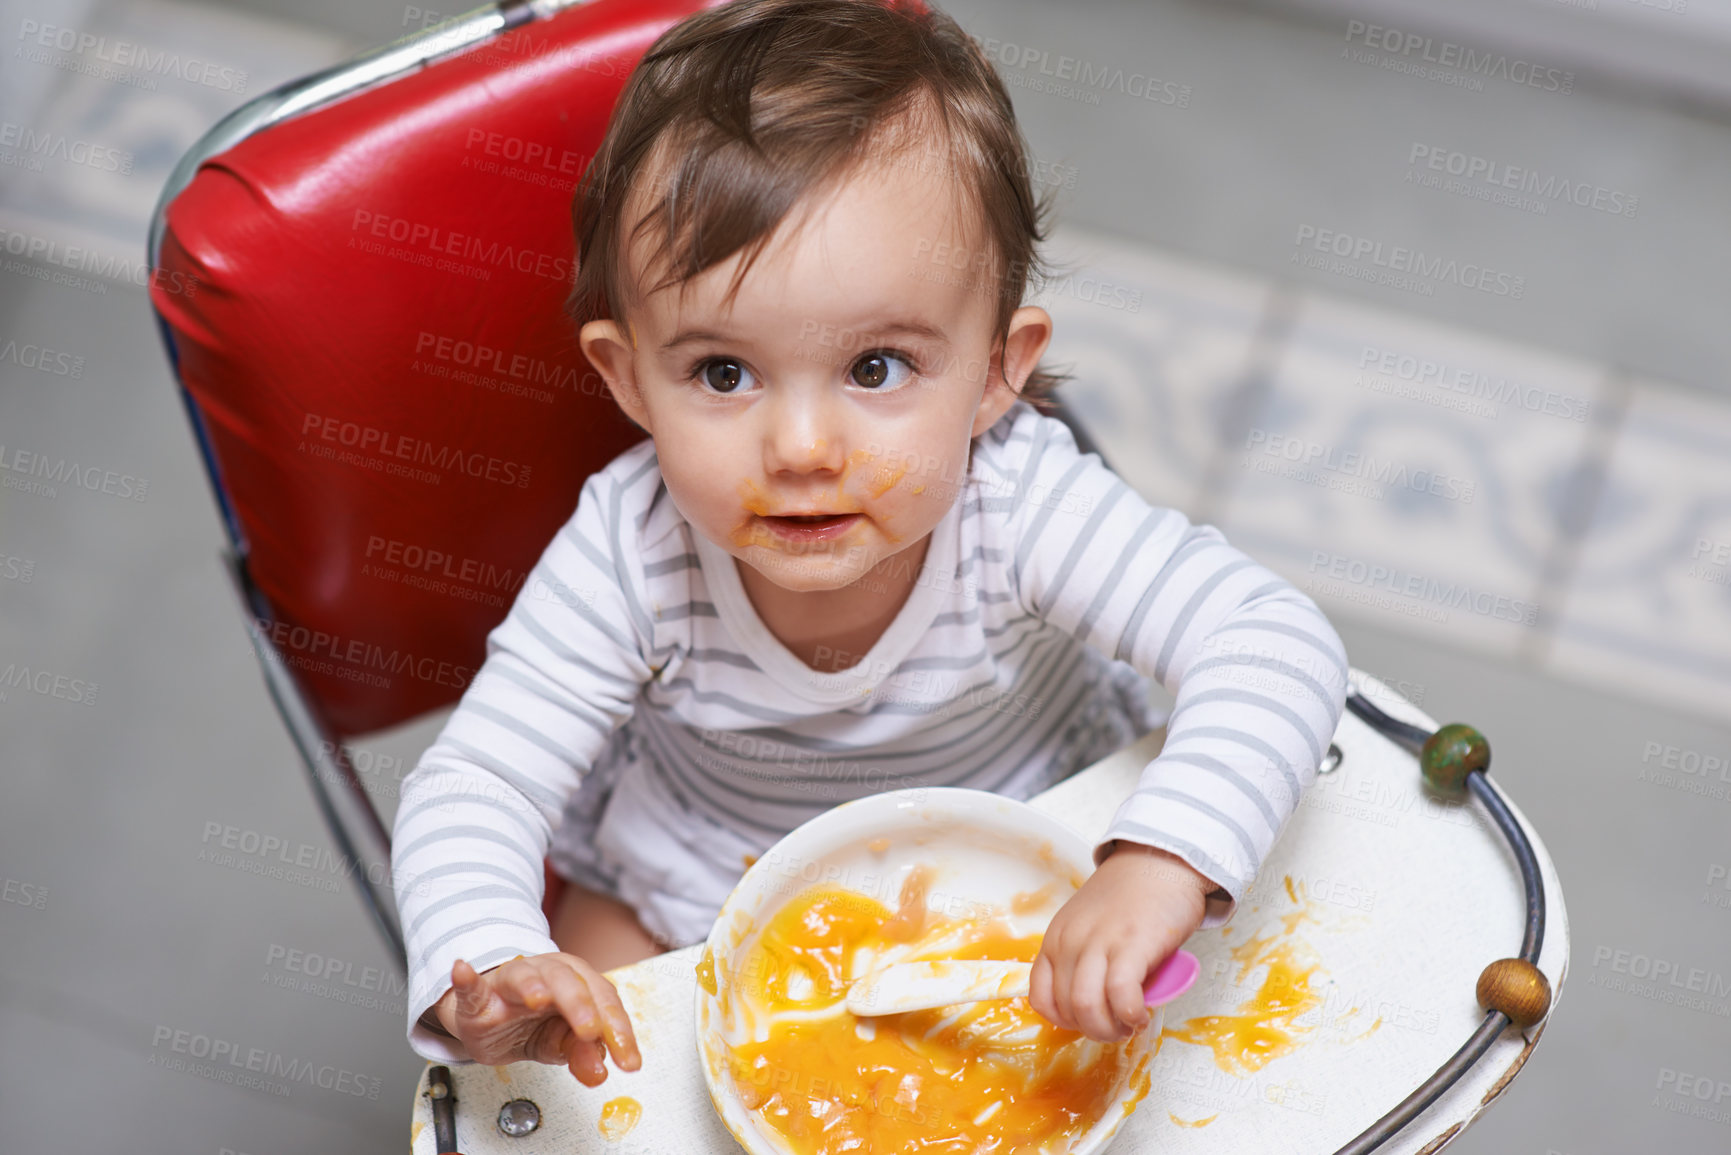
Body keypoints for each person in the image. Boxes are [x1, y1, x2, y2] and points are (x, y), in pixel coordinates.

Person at [392, 0, 1347, 1093]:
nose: (802, 449)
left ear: (998, 371)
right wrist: (498, 957)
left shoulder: (1018, 503)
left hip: (1032, 852)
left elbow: (1270, 640)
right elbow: (477, 785)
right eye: (721, 373)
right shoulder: (629, 553)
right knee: (588, 1087)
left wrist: (1162, 860)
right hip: (700, 882)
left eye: (878, 368)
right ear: (627, 378)